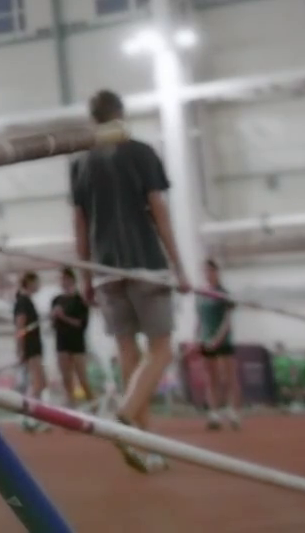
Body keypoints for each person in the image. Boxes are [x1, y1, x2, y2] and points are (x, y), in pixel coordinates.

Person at [70, 89, 192, 473]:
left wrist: (85, 275)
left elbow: (80, 224)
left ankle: (145, 446)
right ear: (121, 115)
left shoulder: (80, 163)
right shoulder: (141, 153)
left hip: (105, 270)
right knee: (162, 349)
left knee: (128, 352)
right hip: (144, 265)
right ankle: (124, 416)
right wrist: (179, 266)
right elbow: (158, 210)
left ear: (93, 120)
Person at [195, 258, 241, 429]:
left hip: (223, 341)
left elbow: (227, 320)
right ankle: (214, 413)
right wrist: (197, 337)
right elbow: (199, 318)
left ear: (216, 272)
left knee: (229, 378)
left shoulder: (224, 293)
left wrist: (218, 338)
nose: (208, 274)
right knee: (211, 378)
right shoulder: (200, 294)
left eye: (211, 270)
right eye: (205, 271)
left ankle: (233, 412)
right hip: (205, 340)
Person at [49, 267, 92, 409]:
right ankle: (72, 407)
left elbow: (81, 324)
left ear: (71, 280)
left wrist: (63, 317)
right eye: (61, 279)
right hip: (61, 342)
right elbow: (53, 325)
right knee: (66, 379)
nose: (63, 282)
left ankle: (94, 406)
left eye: (65, 279)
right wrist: (53, 317)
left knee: (82, 379)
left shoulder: (80, 300)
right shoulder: (56, 300)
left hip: (77, 343)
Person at [13, 272, 46, 430]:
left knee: (40, 383)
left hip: (34, 346)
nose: (38, 286)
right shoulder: (23, 301)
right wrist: (20, 349)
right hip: (30, 347)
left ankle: (33, 417)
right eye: (37, 282)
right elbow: (20, 327)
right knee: (38, 383)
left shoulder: (28, 301)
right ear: (30, 283)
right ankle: (31, 418)